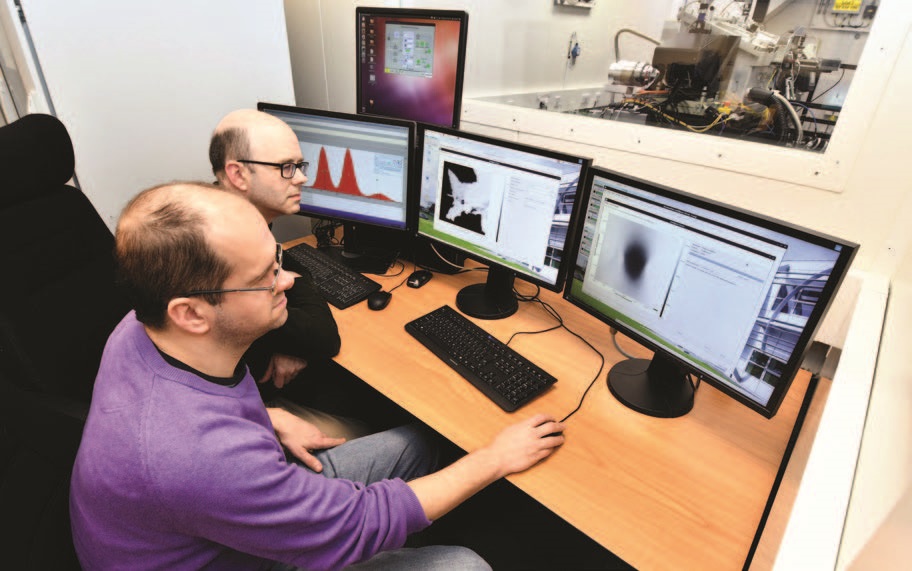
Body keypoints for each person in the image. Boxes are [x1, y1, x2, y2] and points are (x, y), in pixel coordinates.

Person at [70, 182, 566, 570]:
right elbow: (363, 521)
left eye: (277, 260)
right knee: (465, 566)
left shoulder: (141, 327)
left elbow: (196, 418)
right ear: (192, 313)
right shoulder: (199, 458)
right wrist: (497, 458)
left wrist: (265, 416)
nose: (287, 279)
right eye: (266, 276)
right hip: (236, 557)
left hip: (219, 525)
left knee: (418, 444)